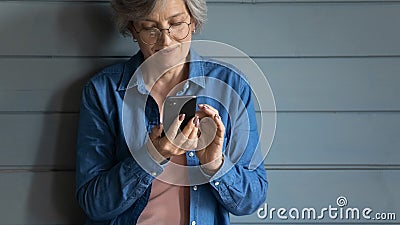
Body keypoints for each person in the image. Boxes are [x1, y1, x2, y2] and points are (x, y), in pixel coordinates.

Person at [75, 0, 268, 224]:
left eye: (177, 24)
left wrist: (215, 165)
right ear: (133, 29)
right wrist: (150, 158)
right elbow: (93, 204)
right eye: (149, 28)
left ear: (194, 22)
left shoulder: (230, 86)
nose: (166, 41)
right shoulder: (103, 91)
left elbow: (252, 200)